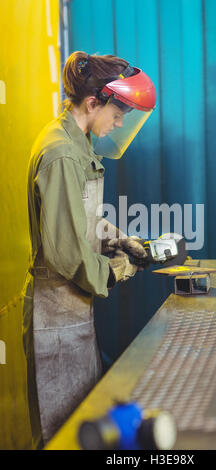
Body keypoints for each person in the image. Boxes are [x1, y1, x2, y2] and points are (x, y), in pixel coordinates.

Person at [21, 51, 156, 449]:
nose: (119, 123)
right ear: (93, 102)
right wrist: (117, 269)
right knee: (63, 436)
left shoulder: (76, 143)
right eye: (117, 113)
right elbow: (65, 253)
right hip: (56, 317)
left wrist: (117, 239)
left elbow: (76, 223)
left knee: (84, 425)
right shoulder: (61, 154)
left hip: (71, 312)